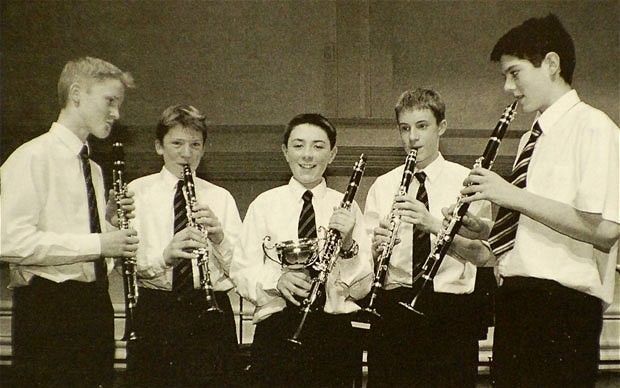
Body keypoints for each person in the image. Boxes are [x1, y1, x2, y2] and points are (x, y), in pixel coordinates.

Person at [457, 14, 620, 388]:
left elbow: (607, 230)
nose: (508, 87)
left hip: (561, 312)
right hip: (520, 302)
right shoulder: (535, 134)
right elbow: (540, 224)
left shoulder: (594, 128)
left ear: (550, 64)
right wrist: (486, 227)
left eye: (514, 73)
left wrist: (512, 195)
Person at [1, 56, 138, 388]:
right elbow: (10, 242)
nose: (117, 113)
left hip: (93, 308)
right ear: (77, 94)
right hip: (49, 311)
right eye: (110, 101)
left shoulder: (93, 168)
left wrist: (109, 229)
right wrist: (99, 244)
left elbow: (82, 245)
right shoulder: (31, 157)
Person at [230, 113, 373, 387]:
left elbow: (362, 288)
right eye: (298, 145)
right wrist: (276, 281)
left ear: (332, 154)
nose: (307, 155)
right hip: (277, 331)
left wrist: (347, 244)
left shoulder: (348, 206)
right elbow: (241, 270)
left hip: (334, 335)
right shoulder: (264, 204)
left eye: (318, 146)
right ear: (285, 152)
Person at [364, 88, 492, 388]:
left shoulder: (469, 183)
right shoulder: (383, 186)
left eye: (422, 126)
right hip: (394, 309)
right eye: (405, 128)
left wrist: (432, 223)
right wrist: (376, 248)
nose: (413, 138)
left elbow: (483, 254)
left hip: (451, 313)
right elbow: (367, 258)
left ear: (441, 128)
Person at [127, 104, 242, 387]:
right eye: (177, 143)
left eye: (195, 144)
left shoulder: (221, 197)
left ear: (204, 148)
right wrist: (164, 257)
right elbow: (124, 265)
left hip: (210, 311)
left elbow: (241, 269)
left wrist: (220, 239)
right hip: (156, 308)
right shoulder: (136, 192)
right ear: (158, 146)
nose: (187, 153)